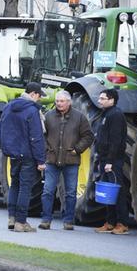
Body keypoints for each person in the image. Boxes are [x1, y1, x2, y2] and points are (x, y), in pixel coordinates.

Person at [0, 82, 46, 233]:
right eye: (39, 97)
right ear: (33, 94)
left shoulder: (9, 106)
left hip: (13, 154)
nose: (39, 100)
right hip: (28, 155)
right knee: (25, 188)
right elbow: (36, 137)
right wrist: (41, 160)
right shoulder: (32, 111)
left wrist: (6, 148)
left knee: (14, 185)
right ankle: (21, 222)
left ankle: (11, 219)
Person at [40, 90, 94, 230]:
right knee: (48, 191)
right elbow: (42, 135)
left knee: (70, 192)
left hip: (71, 160)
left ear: (69, 102)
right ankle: (46, 220)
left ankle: (68, 220)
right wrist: (47, 149)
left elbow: (88, 136)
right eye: (57, 101)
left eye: (62, 101)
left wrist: (77, 149)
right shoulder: (49, 116)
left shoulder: (79, 117)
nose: (59, 104)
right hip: (52, 160)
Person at [94, 88, 130, 235]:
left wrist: (109, 161)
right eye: (100, 98)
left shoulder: (116, 115)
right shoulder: (106, 114)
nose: (99, 101)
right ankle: (110, 222)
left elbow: (116, 140)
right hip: (104, 159)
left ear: (111, 100)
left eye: (103, 98)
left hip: (113, 161)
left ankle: (122, 223)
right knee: (108, 191)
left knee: (118, 191)